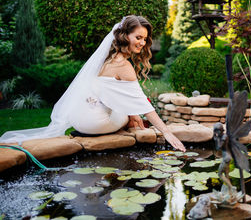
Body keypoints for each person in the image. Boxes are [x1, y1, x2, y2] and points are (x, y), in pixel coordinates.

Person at [0, 15, 185, 152]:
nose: (143, 44)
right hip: (95, 123)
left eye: (145, 39)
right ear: (124, 36)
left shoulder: (107, 58)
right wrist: (166, 132)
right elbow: (144, 106)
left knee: (128, 107)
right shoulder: (124, 66)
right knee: (129, 111)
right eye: (138, 38)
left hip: (78, 118)